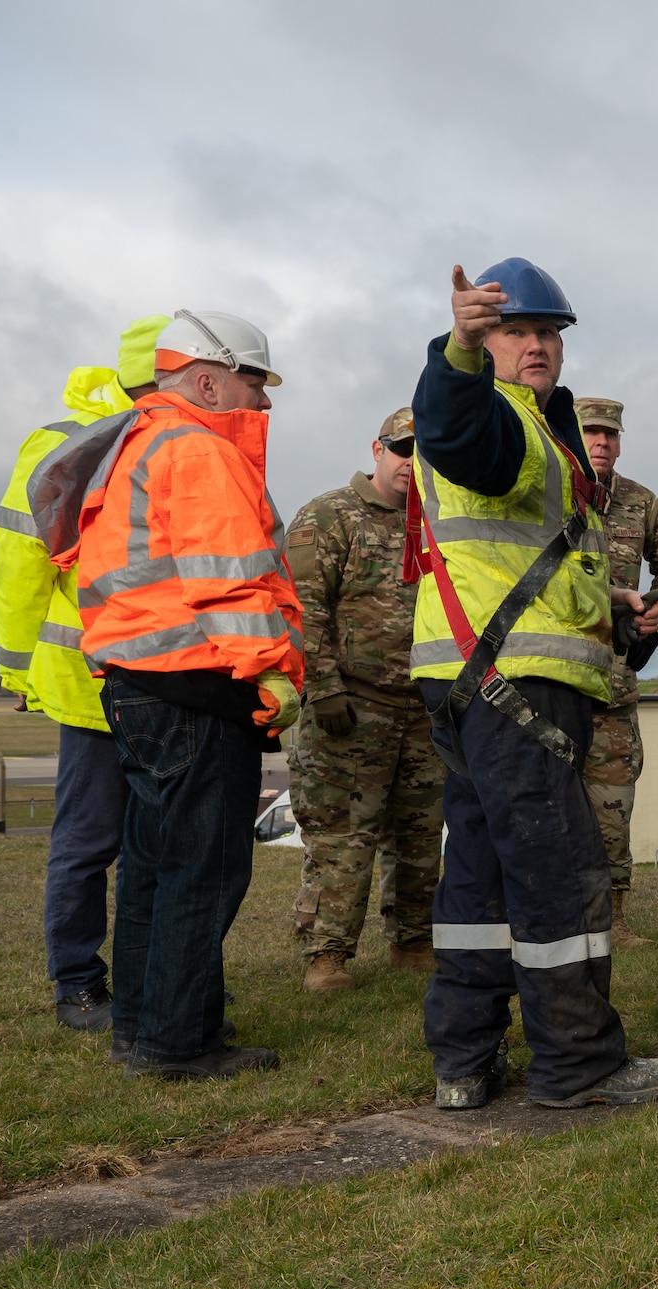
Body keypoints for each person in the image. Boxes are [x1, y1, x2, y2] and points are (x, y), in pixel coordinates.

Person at [408, 259, 658, 1111]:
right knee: (557, 870)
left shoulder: (540, 428)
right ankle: (577, 1060)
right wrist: (457, 349)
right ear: (487, 338)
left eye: (549, 333)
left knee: (478, 875)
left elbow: (530, 557)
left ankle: (464, 1059)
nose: (538, 347)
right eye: (518, 330)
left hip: (467, 679)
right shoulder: (494, 413)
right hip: (512, 682)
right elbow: (452, 431)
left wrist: (615, 606)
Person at [47, 310, 302, 1080]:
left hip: (134, 685)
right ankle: (177, 1042)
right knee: (204, 866)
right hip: (196, 686)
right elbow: (229, 578)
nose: (262, 402)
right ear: (207, 377)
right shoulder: (197, 449)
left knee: (154, 864)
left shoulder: (131, 445)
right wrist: (273, 671)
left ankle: (141, 1027)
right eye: (255, 382)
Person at [0, 316, 166, 1033]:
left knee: (150, 844)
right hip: (90, 681)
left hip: (163, 681)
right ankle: (77, 983)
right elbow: (16, 560)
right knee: (89, 840)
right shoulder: (67, 441)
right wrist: (17, 669)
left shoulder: (171, 437)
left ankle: (150, 978)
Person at [285, 408, 444, 992]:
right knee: (343, 834)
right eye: (402, 449)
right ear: (377, 449)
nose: (411, 463)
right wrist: (322, 687)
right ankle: (327, 956)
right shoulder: (330, 516)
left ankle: (412, 940)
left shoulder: (439, 523)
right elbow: (303, 607)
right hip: (351, 705)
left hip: (424, 707)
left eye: (423, 453)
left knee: (421, 832)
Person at [572, 396, 658, 946]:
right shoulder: (547, 491)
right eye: (591, 433)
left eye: (610, 436)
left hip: (612, 689)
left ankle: (612, 920)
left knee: (612, 809)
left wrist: (656, 621)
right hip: (546, 682)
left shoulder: (641, 504)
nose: (601, 443)